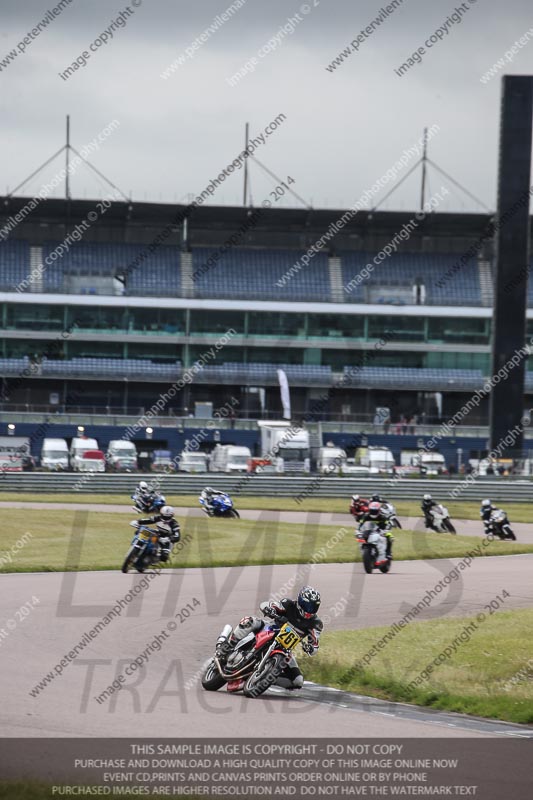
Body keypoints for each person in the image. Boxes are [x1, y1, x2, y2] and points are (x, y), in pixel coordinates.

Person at [217, 586, 323, 690]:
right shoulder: (288, 604)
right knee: (250, 621)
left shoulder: (316, 623)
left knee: (298, 681)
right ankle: (228, 645)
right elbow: (266, 605)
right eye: (307, 605)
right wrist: (270, 609)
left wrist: (311, 648)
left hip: (286, 648)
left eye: (313, 607)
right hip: (269, 629)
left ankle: (264, 677)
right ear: (300, 601)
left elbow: (315, 645)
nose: (309, 610)